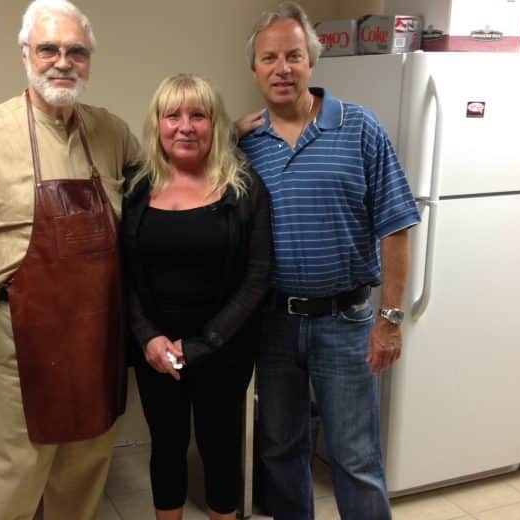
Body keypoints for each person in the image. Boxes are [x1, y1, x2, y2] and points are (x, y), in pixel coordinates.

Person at [0, 1, 142, 518]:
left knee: (86, 474)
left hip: (99, 334)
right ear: (26, 55)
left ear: (89, 61)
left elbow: (158, 189)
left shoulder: (112, 133)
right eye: (49, 49)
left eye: (76, 52)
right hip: (24, 332)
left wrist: (227, 140)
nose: (62, 62)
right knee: (11, 482)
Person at [237, 3, 421, 519]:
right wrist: (228, 133)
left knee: (356, 457)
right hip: (272, 323)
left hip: (347, 321)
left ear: (312, 63)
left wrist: (389, 320)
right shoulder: (246, 145)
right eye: (269, 58)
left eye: (293, 56)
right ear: (254, 69)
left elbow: (397, 226)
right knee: (280, 451)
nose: (282, 68)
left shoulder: (359, 127)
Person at [122, 73, 272, 520]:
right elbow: (124, 273)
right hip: (155, 353)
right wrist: (148, 337)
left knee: (220, 450)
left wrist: (203, 344)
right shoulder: (135, 186)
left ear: (215, 124)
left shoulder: (244, 186)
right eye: (173, 115)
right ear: (157, 124)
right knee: (166, 447)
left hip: (224, 350)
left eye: (198, 115)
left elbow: (259, 274)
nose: (185, 126)